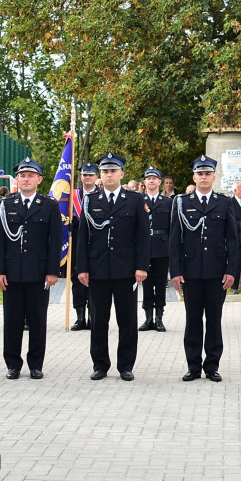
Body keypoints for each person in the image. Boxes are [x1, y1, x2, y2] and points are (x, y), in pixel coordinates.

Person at [76, 152, 149, 381]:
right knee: (98, 320)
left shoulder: (135, 200)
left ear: (122, 174)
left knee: (127, 320)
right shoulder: (90, 200)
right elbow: (82, 238)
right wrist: (82, 268)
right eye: (105, 171)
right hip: (97, 270)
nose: (109, 175)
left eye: (113, 171)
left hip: (126, 270)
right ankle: (100, 365)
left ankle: (126, 365)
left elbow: (142, 237)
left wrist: (141, 266)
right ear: (101, 175)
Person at [169, 155, 240, 381]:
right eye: (200, 173)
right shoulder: (181, 202)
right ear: (194, 177)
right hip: (190, 272)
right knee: (192, 320)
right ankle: (193, 366)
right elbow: (175, 240)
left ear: (213, 176)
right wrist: (176, 271)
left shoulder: (225, 202)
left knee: (214, 320)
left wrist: (231, 271)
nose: (204, 177)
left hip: (216, 272)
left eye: (207, 173)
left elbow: (233, 240)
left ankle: (212, 366)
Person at [0, 159, 62, 379]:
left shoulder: (49, 205)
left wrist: (53, 271)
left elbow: (55, 241)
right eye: (22, 175)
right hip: (12, 273)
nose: (26, 179)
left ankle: (36, 364)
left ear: (39, 180)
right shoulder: (5, 204)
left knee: (37, 321)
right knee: (12, 321)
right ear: (17, 180)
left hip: (38, 272)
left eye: (30, 175)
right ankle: (13, 364)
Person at [139, 166, 172, 332]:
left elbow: (172, 228)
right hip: (144, 247)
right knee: (146, 284)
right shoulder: (138, 201)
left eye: (154, 178)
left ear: (160, 182)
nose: (151, 181)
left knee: (160, 284)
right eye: (148, 178)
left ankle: (159, 318)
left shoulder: (168, 202)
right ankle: (148, 318)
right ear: (144, 182)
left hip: (162, 247)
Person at [69, 163, 100, 331]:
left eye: (91, 175)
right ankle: (80, 316)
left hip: (95, 241)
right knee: (77, 276)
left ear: (96, 177)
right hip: (76, 241)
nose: (87, 177)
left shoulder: (101, 195)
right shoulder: (72, 195)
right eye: (85, 175)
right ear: (81, 177)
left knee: (95, 277)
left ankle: (92, 315)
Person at [230, 181, 241, 293]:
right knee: (236, 263)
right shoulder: (230, 203)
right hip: (236, 238)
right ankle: (234, 286)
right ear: (235, 191)